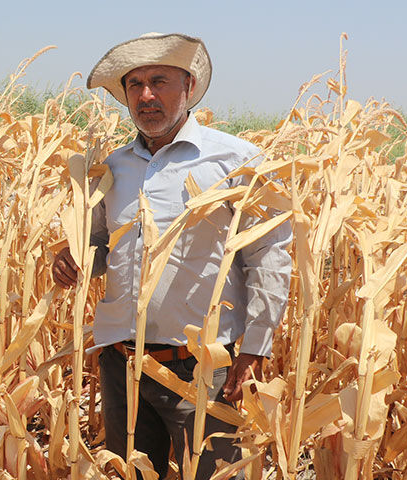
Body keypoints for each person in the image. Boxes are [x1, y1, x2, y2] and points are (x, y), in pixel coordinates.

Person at [52, 33, 292, 479]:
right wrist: (73, 259)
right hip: (122, 363)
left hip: (202, 368)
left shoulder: (235, 161)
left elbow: (268, 255)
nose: (146, 96)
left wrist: (256, 346)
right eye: (134, 85)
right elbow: (100, 247)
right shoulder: (114, 167)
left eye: (159, 81)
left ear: (189, 85)